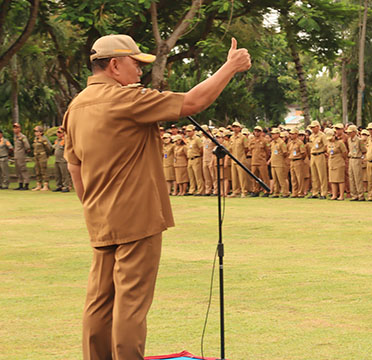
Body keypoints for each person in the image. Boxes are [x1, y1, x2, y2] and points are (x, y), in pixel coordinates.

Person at [62, 34, 251, 360]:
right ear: (114, 64)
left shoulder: (75, 107)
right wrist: (230, 67)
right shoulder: (124, 99)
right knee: (131, 303)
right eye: (136, 64)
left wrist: (92, 206)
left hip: (99, 217)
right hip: (136, 217)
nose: (139, 73)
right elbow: (192, 102)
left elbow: (74, 166)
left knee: (99, 299)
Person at [229, 121, 250, 197]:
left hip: (241, 159)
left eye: (236, 127)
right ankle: (235, 191)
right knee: (234, 177)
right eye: (233, 127)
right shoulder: (231, 137)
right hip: (233, 159)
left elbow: (246, 148)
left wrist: (242, 156)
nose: (234, 129)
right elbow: (230, 149)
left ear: (240, 128)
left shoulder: (243, 137)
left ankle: (244, 191)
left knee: (242, 177)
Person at [308, 120, 329, 199]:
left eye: (313, 127)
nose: (312, 129)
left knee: (322, 175)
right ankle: (315, 192)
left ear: (318, 127)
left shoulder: (322, 135)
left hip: (320, 155)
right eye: (311, 128)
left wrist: (324, 152)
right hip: (313, 155)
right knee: (314, 175)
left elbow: (326, 145)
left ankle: (323, 193)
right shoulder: (311, 136)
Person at [326, 128, 348, 200]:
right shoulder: (329, 143)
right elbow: (328, 152)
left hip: (339, 162)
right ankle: (334, 194)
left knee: (340, 179)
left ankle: (341, 195)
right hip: (331, 162)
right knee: (332, 179)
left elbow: (344, 152)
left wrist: (341, 159)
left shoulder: (340, 143)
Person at [346, 125, 366, 201]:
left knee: (358, 177)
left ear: (354, 132)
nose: (348, 134)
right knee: (351, 177)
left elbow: (364, 150)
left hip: (357, 159)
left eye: (350, 132)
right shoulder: (349, 140)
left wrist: (362, 159)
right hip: (351, 159)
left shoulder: (359, 140)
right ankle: (354, 195)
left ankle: (361, 195)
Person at [249, 126, 270, 197]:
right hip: (254, 161)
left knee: (264, 177)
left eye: (258, 131)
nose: (256, 132)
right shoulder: (252, 141)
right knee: (254, 177)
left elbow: (268, 151)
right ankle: (255, 190)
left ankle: (266, 191)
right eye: (255, 131)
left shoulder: (264, 141)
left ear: (261, 132)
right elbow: (250, 150)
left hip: (262, 161)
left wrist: (264, 158)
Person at [268, 128, 289, 197]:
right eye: (272, 134)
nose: (272, 135)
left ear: (278, 134)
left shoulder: (281, 143)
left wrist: (281, 159)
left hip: (280, 163)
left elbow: (285, 153)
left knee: (281, 179)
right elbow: (272, 153)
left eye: (274, 134)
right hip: (273, 163)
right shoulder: (272, 143)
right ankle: (276, 192)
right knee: (275, 179)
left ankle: (285, 192)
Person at [31, 125, 53, 191]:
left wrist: (47, 155)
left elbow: (49, 148)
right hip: (36, 156)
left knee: (44, 170)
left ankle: (46, 185)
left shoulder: (44, 139)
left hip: (42, 156)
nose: (35, 132)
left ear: (41, 132)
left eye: (36, 131)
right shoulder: (35, 139)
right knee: (37, 170)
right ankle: (39, 185)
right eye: (34, 131)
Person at [288, 128, 306, 198]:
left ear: (296, 134)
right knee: (293, 178)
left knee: (299, 178)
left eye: (292, 134)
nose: (291, 135)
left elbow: (303, 153)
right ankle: (294, 192)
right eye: (290, 134)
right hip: (292, 161)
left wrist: (300, 159)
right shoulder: (290, 143)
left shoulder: (300, 143)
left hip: (298, 160)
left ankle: (300, 192)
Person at [52, 128, 72, 193]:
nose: (58, 134)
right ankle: (59, 186)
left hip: (63, 160)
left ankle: (66, 186)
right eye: (57, 132)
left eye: (60, 132)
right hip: (57, 159)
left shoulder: (66, 140)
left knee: (64, 174)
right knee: (57, 174)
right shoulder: (57, 141)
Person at [12, 123, 30, 190]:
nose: (15, 129)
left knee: (23, 169)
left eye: (17, 128)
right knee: (18, 170)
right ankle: (20, 184)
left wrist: (24, 153)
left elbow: (27, 146)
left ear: (20, 128)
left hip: (21, 155)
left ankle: (26, 184)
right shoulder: (15, 137)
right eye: (14, 128)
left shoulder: (23, 137)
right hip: (16, 155)